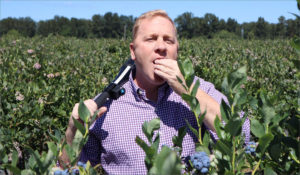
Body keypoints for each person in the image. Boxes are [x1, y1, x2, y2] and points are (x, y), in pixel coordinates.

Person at [60, 10, 250, 174]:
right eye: (151, 39)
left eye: (169, 40)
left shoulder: (200, 89)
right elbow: (70, 170)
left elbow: (242, 138)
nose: (161, 47)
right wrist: (72, 132)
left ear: (177, 51)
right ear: (133, 52)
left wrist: (188, 91)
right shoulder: (105, 107)